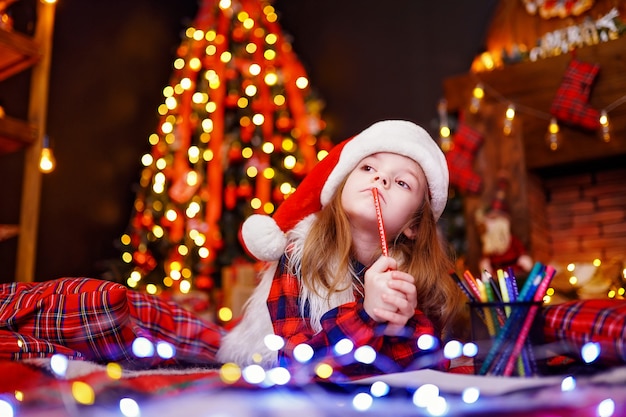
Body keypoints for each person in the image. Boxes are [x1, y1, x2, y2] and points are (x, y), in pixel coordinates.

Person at [217, 120, 467, 377]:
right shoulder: (297, 257)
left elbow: (432, 369)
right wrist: (366, 315)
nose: (380, 178)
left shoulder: (417, 280)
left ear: (413, 225)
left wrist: (402, 329)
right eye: (368, 167)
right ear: (341, 186)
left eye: (403, 182)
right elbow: (293, 363)